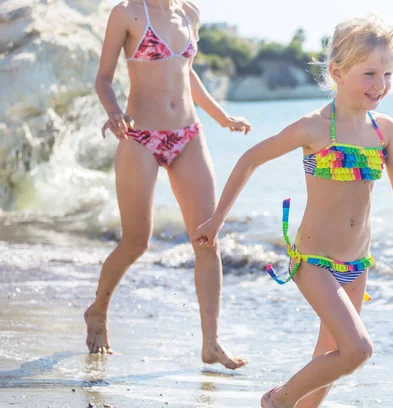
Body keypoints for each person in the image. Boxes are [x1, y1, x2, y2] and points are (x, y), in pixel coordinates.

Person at [192, 13, 393, 407]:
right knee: (357, 350)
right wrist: (216, 220)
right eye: (369, 74)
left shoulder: (384, 130)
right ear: (337, 71)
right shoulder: (314, 127)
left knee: (328, 367)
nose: (379, 85)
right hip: (314, 260)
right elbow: (249, 159)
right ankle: (277, 400)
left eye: (387, 75)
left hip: (357, 265)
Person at [85, 0, 249, 370]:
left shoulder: (190, 13)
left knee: (207, 238)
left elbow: (186, 72)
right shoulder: (127, 13)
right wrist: (114, 113)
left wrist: (222, 118)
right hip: (139, 134)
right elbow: (103, 79)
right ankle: (97, 311)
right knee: (136, 242)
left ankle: (211, 343)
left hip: (188, 134)